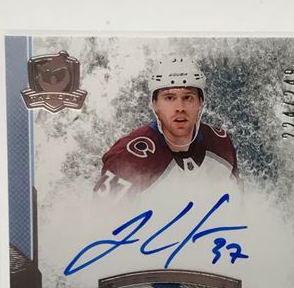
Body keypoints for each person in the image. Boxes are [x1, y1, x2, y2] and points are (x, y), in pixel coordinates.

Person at [94, 57, 240, 199]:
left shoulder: (221, 144)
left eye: (188, 97)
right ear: (154, 104)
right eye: (169, 98)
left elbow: (239, 205)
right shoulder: (128, 157)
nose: (180, 108)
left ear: (201, 102)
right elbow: (101, 212)